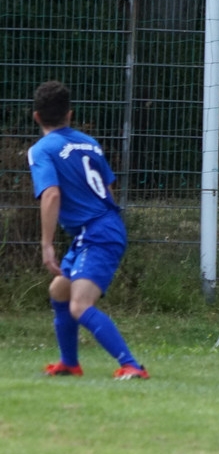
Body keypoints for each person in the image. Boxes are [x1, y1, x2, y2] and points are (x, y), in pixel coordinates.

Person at [28, 81, 149, 379]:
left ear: (36, 117)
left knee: (80, 305)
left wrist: (46, 244)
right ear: (70, 114)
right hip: (100, 228)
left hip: (96, 233)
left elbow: (51, 194)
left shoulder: (41, 150)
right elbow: (107, 187)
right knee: (59, 290)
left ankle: (132, 365)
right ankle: (69, 363)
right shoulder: (89, 143)